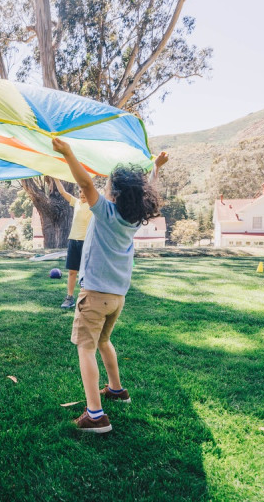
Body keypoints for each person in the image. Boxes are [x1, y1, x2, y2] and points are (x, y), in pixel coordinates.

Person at [52, 137, 167, 433]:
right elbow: (142, 190)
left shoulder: (106, 213)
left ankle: (95, 414)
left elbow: (86, 185)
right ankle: (116, 389)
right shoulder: (131, 218)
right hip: (117, 298)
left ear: (113, 195)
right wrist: (155, 168)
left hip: (95, 296)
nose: (101, 190)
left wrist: (68, 153)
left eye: (107, 188)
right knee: (103, 342)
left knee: (86, 348)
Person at [52, 178, 93, 309]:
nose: (81, 194)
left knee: (87, 273)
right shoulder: (76, 202)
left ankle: (87, 297)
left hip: (87, 242)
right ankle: (69, 298)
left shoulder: (94, 205)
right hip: (73, 241)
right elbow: (63, 192)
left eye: (84, 191)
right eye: (80, 191)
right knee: (72, 272)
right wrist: (56, 179)